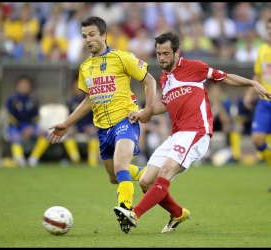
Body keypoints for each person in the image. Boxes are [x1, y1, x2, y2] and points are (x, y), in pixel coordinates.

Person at [113, 29, 271, 234]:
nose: (161, 58)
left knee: (166, 172)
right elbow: (165, 104)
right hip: (176, 134)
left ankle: (135, 214)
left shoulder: (194, 67)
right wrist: (143, 112)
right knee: (145, 181)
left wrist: (252, 82)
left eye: (165, 53)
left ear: (177, 53)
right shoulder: (164, 78)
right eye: (159, 53)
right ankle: (178, 213)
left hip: (196, 131)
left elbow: (225, 78)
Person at [46, 16, 157, 232]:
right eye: (84, 36)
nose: (88, 40)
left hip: (126, 120)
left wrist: (147, 110)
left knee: (120, 165)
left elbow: (150, 81)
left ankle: (126, 210)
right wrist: (67, 123)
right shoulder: (85, 67)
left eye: (92, 35)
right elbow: (89, 100)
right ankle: (148, 174)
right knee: (114, 176)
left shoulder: (122, 57)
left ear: (104, 35)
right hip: (103, 129)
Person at [243, 18, 271, 174]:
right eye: (268, 28)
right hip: (265, 102)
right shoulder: (262, 49)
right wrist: (249, 93)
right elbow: (258, 74)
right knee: (257, 139)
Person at [5, 75, 50, 167]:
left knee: (46, 135)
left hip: (29, 126)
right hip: (15, 127)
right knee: (15, 136)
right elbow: (10, 117)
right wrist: (21, 129)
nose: (24, 88)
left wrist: (31, 127)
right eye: (21, 86)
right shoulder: (11, 100)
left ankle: (33, 158)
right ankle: (19, 159)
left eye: (26, 86)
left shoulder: (33, 100)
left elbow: (37, 116)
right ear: (17, 87)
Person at [64, 73, 99, 167]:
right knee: (69, 134)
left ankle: (92, 160)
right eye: (75, 87)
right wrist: (71, 127)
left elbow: (96, 115)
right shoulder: (70, 102)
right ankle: (75, 159)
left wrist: (94, 126)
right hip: (77, 126)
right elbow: (69, 117)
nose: (77, 89)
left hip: (89, 125)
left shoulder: (91, 99)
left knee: (93, 134)